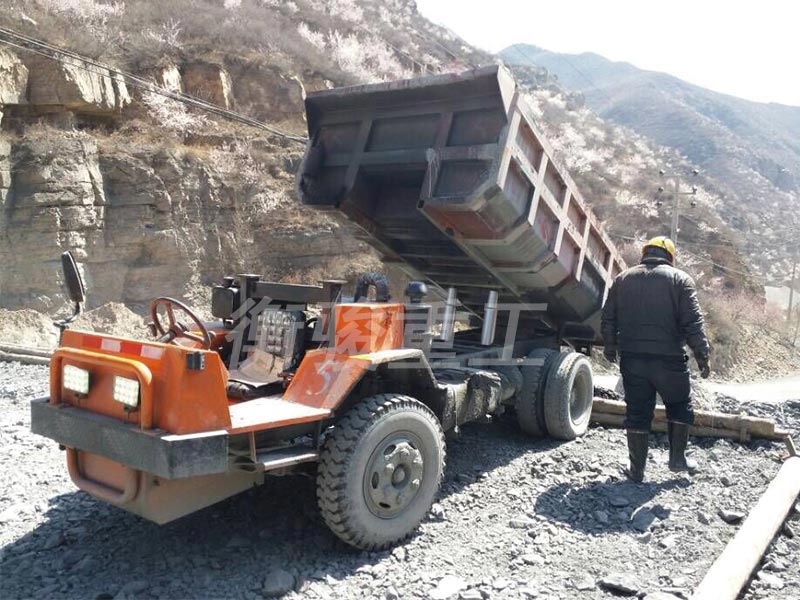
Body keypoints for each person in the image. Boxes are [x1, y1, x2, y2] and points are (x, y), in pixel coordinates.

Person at [601, 236, 710, 482]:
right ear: (669, 257)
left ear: (644, 253)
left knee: (637, 412)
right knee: (680, 406)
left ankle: (637, 471)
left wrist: (610, 347)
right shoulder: (681, 280)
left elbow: (608, 317)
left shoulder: (623, 279)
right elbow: (693, 322)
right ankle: (677, 460)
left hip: (633, 360)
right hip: (669, 360)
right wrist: (702, 355)